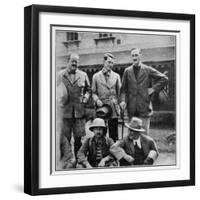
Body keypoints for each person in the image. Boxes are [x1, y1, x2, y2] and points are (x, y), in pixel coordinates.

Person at [120, 48, 168, 134]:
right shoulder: (127, 71)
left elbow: (164, 78)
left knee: (144, 137)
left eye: (136, 55)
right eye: (133, 56)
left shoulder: (147, 69)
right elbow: (123, 89)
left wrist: (153, 89)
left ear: (141, 56)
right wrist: (123, 101)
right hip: (132, 110)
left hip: (144, 109)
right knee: (131, 136)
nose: (134, 58)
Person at [57, 53, 90, 168]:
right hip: (65, 113)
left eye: (77, 61)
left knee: (78, 139)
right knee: (65, 139)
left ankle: (77, 161)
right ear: (68, 61)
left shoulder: (83, 75)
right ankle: (65, 160)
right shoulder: (59, 75)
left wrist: (86, 98)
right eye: (73, 61)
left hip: (79, 114)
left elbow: (88, 90)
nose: (75, 63)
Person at [92, 53, 121, 141]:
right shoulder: (96, 76)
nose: (110, 65)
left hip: (113, 107)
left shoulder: (116, 76)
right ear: (104, 62)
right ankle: (101, 151)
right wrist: (97, 100)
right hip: (101, 107)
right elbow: (93, 92)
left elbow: (119, 93)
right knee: (101, 131)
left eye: (112, 63)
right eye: (109, 62)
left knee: (113, 133)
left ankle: (113, 151)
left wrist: (118, 105)